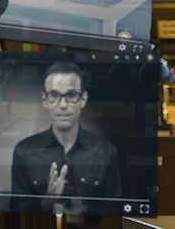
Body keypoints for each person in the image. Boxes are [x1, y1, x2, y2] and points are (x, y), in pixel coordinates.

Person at [10, 62, 121, 215]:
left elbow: (115, 211)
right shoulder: (24, 151)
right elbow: (15, 210)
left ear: (83, 100)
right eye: (54, 96)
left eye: (71, 95)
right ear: (45, 101)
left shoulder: (106, 152)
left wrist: (85, 211)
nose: (63, 105)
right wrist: (48, 200)